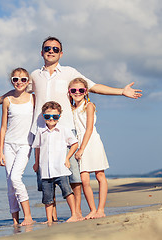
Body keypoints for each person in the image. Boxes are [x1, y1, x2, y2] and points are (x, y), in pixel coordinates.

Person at [0, 36, 142, 218]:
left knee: (74, 176)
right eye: (48, 48)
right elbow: (17, 92)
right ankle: (51, 218)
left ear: (61, 53)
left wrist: (121, 91)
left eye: (55, 49)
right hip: (41, 131)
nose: (51, 51)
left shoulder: (69, 72)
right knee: (46, 176)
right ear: (42, 52)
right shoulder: (35, 75)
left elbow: (93, 87)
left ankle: (76, 213)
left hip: (66, 129)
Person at [0, 67, 35, 226]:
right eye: (15, 79)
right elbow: (3, 127)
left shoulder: (33, 98)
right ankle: (15, 221)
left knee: (15, 178)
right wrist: (0, 151)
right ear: (11, 81)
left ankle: (28, 217)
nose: (19, 82)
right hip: (8, 145)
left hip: (25, 144)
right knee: (9, 183)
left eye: (23, 80)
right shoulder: (7, 100)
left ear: (28, 82)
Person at [32, 101, 80, 223]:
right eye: (48, 116)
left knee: (67, 191)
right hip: (45, 171)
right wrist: (36, 163)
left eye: (55, 116)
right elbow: (37, 148)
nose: (51, 119)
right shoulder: (40, 131)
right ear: (43, 116)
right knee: (47, 197)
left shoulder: (63, 130)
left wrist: (67, 158)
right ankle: (49, 220)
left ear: (59, 116)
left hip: (61, 168)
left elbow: (74, 144)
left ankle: (74, 214)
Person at [68, 78, 109, 219]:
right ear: (69, 92)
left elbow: (89, 129)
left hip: (91, 143)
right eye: (73, 90)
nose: (77, 92)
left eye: (81, 90)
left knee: (100, 175)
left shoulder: (89, 105)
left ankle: (101, 210)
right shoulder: (71, 109)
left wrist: (81, 149)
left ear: (86, 91)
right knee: (85, 179)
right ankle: (92, 210)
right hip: (79, 142)